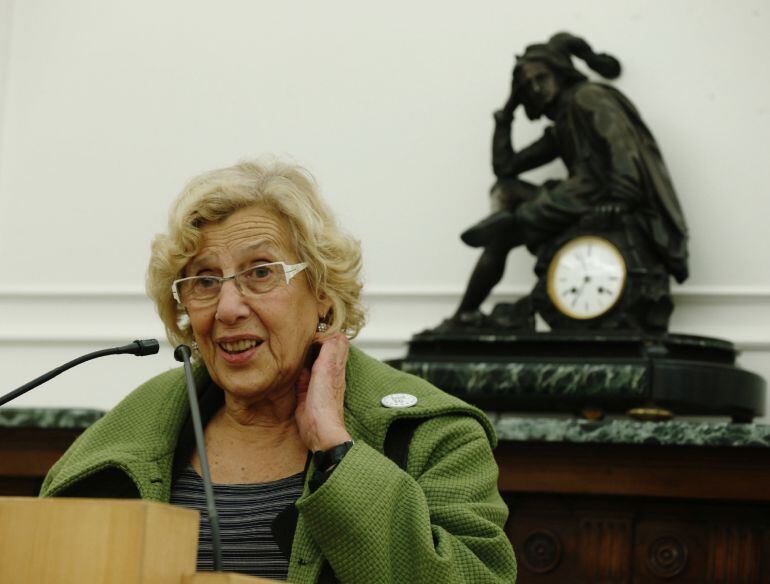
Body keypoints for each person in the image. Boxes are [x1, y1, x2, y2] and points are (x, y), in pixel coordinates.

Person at [40, 159, 517, 583]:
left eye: (261, 272)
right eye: (204, 280)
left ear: (323, 295)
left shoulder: (432, 435)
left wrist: (337, 453)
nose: (228, 308)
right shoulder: (124, 435)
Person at [453, 32, 688, 324]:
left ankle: (471, 297)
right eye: (527, 87)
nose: (536, 88)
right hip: (578, 195)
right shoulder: (563, 121)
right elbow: (506, 167)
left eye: (541, 78)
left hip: (595, 196)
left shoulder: (587, 97)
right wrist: (507, 112)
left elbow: (622, 146)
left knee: (503, 235)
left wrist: (622, 198)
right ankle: (500, 224)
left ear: (560, 73)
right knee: (505, 188)